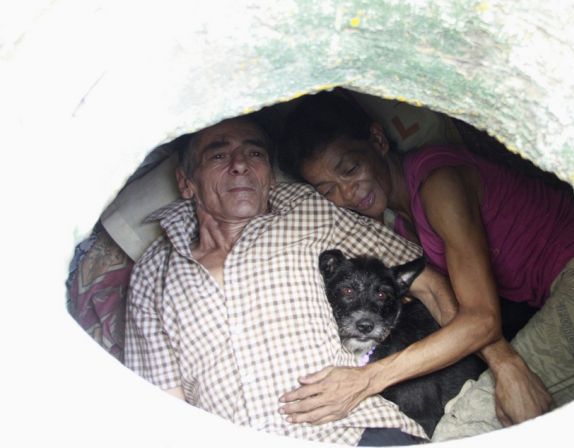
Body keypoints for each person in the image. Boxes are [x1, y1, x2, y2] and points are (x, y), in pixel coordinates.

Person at [124, 115, 481, 446]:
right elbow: (164, 407)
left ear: (270, 177)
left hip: (355, 432)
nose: (240, 164)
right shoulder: (153, 273)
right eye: (218, 155)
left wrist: (501, 363)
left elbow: (429, 285)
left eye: (255, 153)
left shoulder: (309, 210)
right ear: (186, 182)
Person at [277, 89, 574, 440]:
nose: (347, 193)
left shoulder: (439, 185)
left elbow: (481, 318)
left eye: (350, 169)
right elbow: (447, 301)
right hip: (546, 299)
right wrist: (503, 362)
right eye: (328, 190)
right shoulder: (400, 224)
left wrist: (366, 380)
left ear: (378, 140)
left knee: (464, 428)